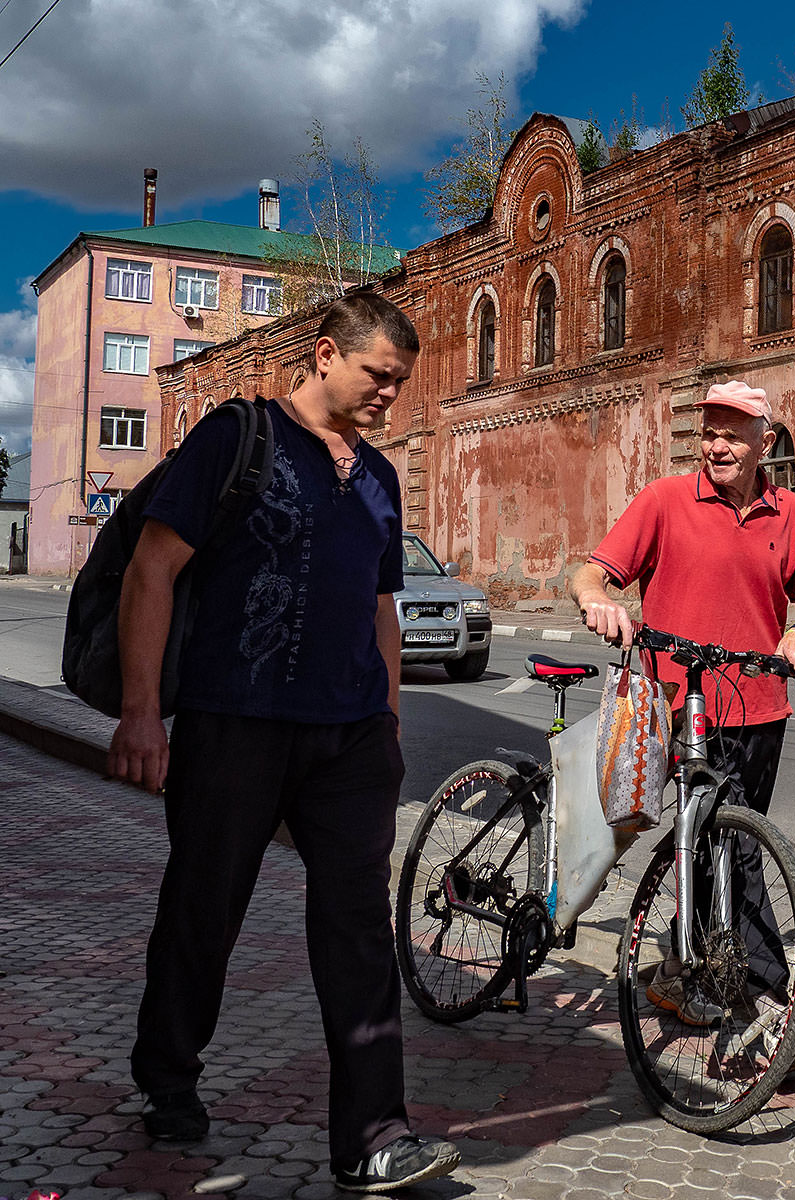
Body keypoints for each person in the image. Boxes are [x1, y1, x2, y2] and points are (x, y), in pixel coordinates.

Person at [108, 294, 459, 1193]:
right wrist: (142, 712)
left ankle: (374, 1137)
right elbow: (155, 564)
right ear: (324, 354)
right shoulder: (238, 437)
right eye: (378, 375)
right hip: (235, 721)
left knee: (358, 930)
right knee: (205, 906)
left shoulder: (379, 479)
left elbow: (382, 608)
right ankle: (169, 1072)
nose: (390, 394)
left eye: (400, 382)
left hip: (347, 740)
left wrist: (386, 722)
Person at [570, 379, 795, 1049]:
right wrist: (602, 602)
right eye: (709, 432)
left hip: (761, 711)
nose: (717, 445)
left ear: (763, 443)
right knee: (732, 850)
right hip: (679, 711)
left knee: (722, 846)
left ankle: (683, 966)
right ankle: (774, 1000)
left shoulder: (791, 513)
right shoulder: (665, 501)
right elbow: (591, 573)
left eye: (732, 434)